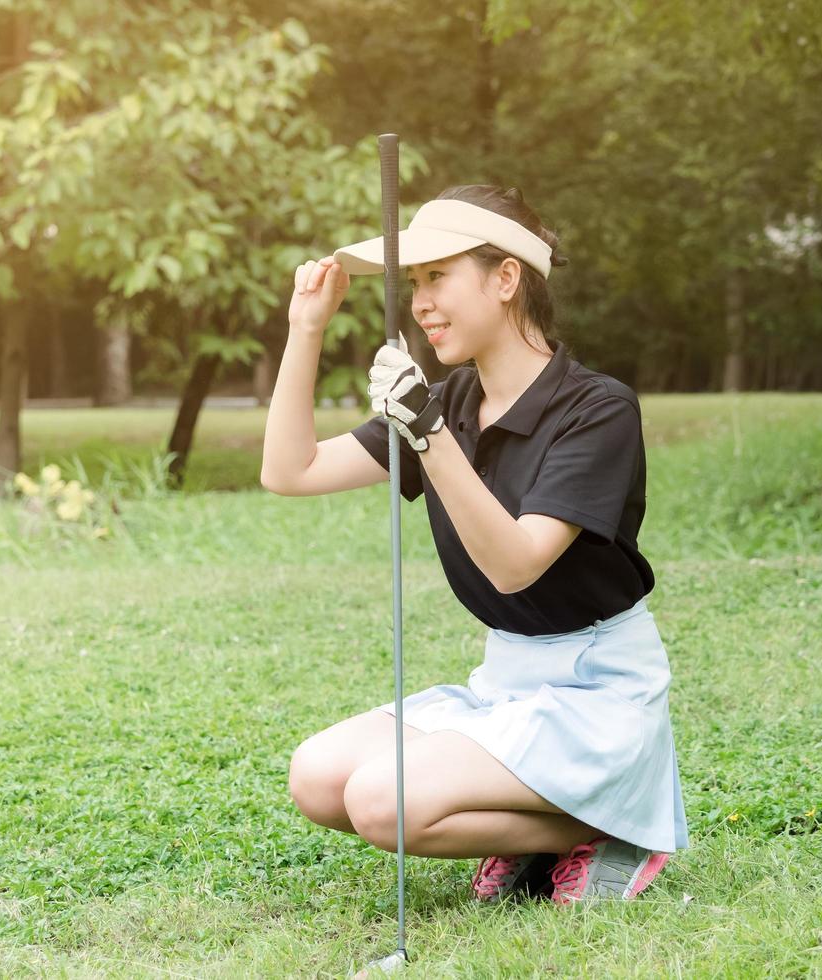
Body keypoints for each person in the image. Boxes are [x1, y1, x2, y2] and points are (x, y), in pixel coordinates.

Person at [260, 185, 688, 904]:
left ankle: (611, 828)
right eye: (413, 283)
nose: (419, 302)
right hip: (506, 684)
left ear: (505, 278)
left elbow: (515, 564)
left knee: (381, 802)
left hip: (595, 694)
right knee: (318, 778)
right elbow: (288, 471)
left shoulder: (596, 408)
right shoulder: (449, 400)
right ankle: (549, 834)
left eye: (438, 277)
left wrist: (424, 433)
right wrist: (306, 328)